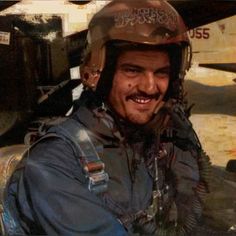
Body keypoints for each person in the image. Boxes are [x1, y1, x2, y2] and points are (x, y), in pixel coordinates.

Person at [2, 0, 211, 235]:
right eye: (133, 70)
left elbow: (198, 214)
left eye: (161, 72)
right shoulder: (52, 165)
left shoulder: (160, 141)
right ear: (98, 75)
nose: (150, 87)